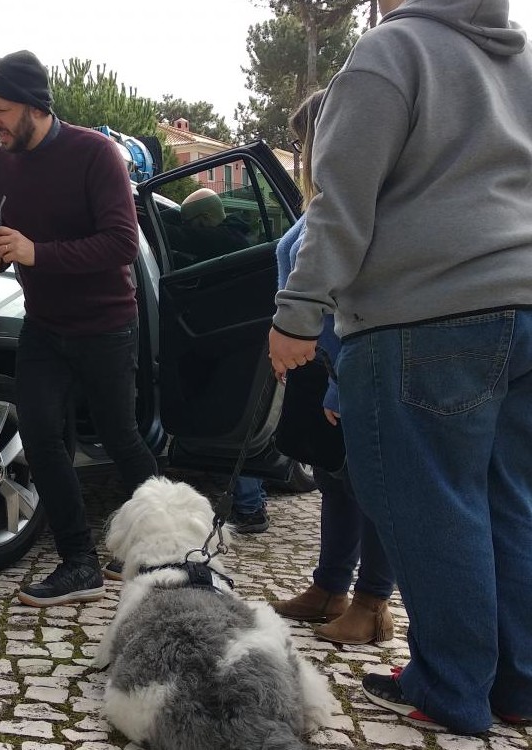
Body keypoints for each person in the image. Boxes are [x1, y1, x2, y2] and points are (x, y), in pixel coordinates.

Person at [269, 0, 532, 733]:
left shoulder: (393, 51)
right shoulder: (519, 64)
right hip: (523, 311)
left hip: (424, 317)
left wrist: (296, 316)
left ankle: (451, 688)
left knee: (433, 507)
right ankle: (517, 686)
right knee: (509, 505)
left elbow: (339, 205)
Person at [0, 50, 158, 607]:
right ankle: (79, 564)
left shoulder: (95, 153)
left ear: (34, 106)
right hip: (44, 326)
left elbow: (122, 243)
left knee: (121, 438)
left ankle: (165, 547)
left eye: (1, 110)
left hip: (106, 324)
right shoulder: (0, 162)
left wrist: (38, 253)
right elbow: (9, 237)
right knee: (41, 439)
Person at [268, 90, 396, 647]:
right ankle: (330, 587)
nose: (302, 153)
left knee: (369, 489)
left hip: (349, 365)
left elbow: (357, 300)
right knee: (334, 481)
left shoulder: (352, 204)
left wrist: (341, 388)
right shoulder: (322, 205)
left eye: (303, 141)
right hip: (320, 365)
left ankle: (373, 604)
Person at [167, 187, 250, 267]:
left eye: (187, 222)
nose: (185, 226)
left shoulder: (224, 238)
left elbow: (180, 236)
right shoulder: (233, 235)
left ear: (205, 218)